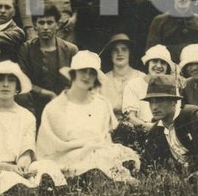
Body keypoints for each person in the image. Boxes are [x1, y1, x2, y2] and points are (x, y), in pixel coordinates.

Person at [36, 51, 141, 184]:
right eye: (82, 71)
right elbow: (50, 146)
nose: (87, 76)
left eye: (92, 73)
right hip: (67, 155)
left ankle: (102, 175)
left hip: (97, 151)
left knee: (117, 153)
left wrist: (97, 148)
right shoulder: (55, 107)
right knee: (90, 160)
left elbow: (105, 139)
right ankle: (93, 176)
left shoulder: (101, 104)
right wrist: (85, 148)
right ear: (73, 74)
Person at [0, 61, 67, 196]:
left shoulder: (27, 116)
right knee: (6, 178)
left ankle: (43, 188)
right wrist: (11, 169)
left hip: (16, 167)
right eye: (0, 80)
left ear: (17, 86)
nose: (5, 84)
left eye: (11, 80)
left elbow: (26, 151)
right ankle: (32, 190)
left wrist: (22, 166)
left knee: (48, 166)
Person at [141, 75, 198, 173]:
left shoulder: (192, 115)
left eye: (159, 100)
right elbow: (148, 162)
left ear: (173, 101)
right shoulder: (156, 131)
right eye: (151, 102)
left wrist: (188, 170)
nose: (154, 107)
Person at [16, 6, 79, 121]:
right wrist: (47, 94)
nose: (45, 27)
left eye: (50, 23)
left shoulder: (70, 50)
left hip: (63, 102)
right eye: (41, 23)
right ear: (35, 25)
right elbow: (22, 80)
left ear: (57, 25)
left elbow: (76, 82)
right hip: (35, 103)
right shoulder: (27, 49)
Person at [98, 33, 152, 132]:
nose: (120, 53)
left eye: (124, 49)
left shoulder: (141, 77)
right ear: (110, 53)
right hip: (109, 130)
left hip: (139, 130)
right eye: (115, 50)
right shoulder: (103, 79)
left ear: (129, 53)